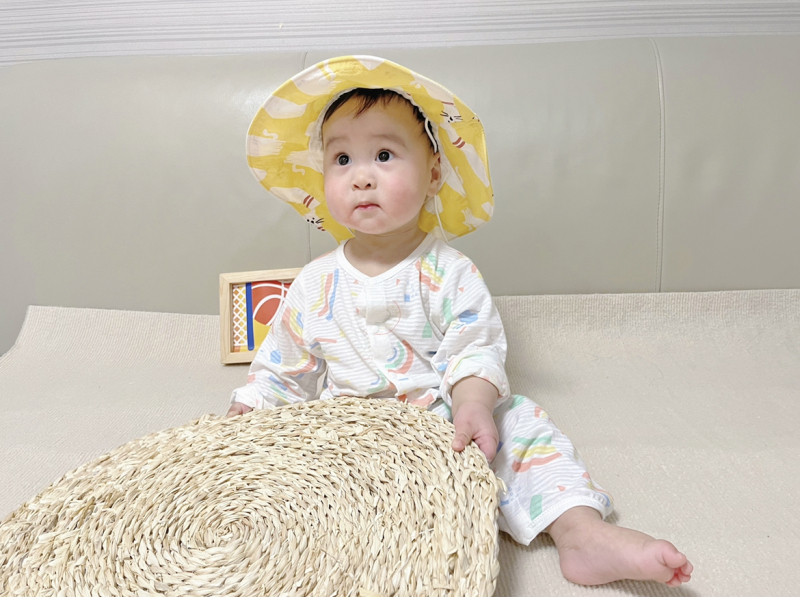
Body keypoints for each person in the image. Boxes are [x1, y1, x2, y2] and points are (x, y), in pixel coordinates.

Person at [228, 55, 692, 587]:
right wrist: (251, 407)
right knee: (288, 470)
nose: (361, 177)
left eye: (384, 155)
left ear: (432, 175)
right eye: (342, 159)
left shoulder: (449, 272)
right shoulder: (313, 283)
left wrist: (473, 404)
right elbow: (284, 368)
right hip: (349, 438)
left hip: (443, 425)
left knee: (522, 425)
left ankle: (580, 532)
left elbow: (475, 347)